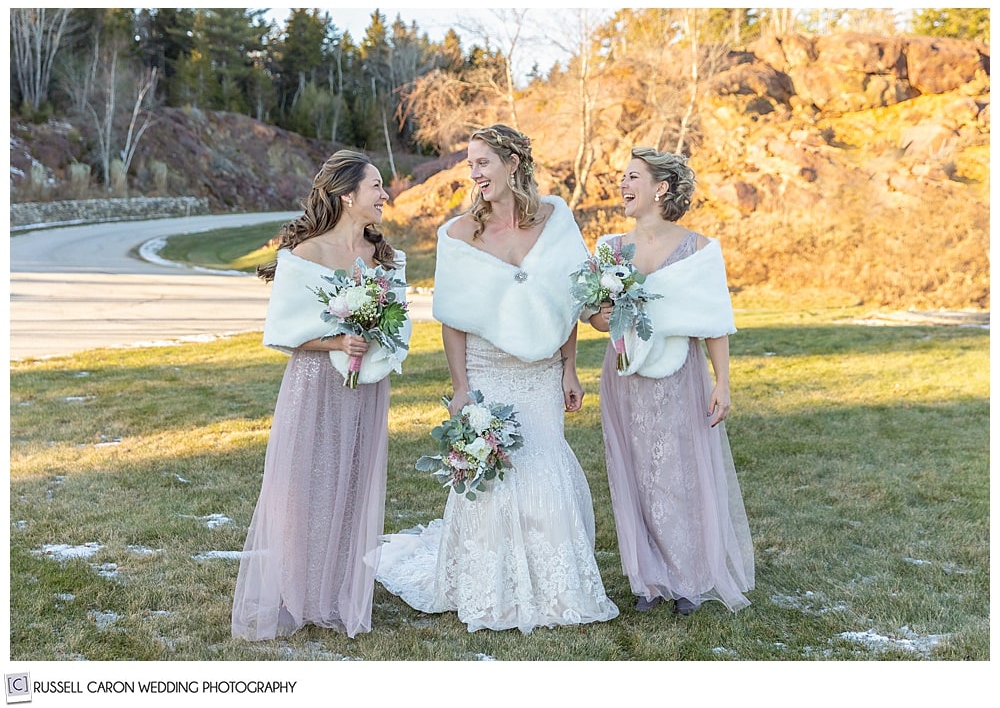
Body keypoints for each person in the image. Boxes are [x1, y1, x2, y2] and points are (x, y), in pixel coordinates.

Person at [375, 124, 619, 633]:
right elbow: (453, 318)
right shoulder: (460, 235)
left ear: (512, 162)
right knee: (492, 479)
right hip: (488, 372)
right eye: (471, 164)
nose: (476, 173)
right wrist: (461, 387)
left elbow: (567, 302)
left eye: (483, 162)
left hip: (540, 374)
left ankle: (557, 591)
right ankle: (487, 587)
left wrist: (569, 367)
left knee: (545, 467)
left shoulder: (555, 220)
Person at [231, 150, 411, 640]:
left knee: (353, 482)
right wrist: (336, 341)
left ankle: (337, 591)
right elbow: (283, 331)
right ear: (348, 195)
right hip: (313, 385)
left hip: (365, 388)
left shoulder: (383, 257)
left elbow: (397, 321)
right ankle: (296, 590)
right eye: (376, 186)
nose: (384, 195)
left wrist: (379, 339)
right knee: (305, 485)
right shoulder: (306, 254)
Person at [587, 147, 754, 616]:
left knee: (681, 473)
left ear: (660, 188)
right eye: (622, 176)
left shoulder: (699, 249)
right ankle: (648, 580)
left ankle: (689, 578)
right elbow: (596, 319)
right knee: (634, 472)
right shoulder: (609, 249)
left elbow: (714, 322)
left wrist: (722, 382)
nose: (622, 183)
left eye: (632, 176)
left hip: (681, 375)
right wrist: (602, 317)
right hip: (625, 376)